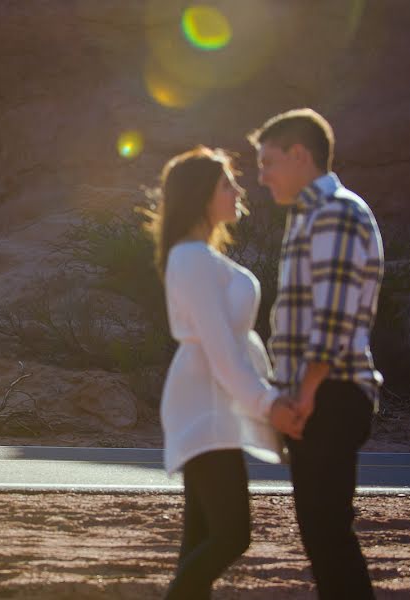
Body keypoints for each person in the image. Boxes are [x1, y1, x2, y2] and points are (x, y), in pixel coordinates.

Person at [145, 146, 301, 599]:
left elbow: (228, 348)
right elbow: (219, 349)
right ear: (200, 195)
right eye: (226, 183)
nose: (238, 190)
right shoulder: (191, 258)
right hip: (204, 409)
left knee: (200, 539)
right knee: (233, 535)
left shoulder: (198, 257)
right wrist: (268, 404)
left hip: (212, 405)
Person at [248, 108, 384, 599]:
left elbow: (332, 316)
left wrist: (304, 394)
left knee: (328, 534)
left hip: (329, 394)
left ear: (300, 155)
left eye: (268, 163)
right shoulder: (313, 216)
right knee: (322, 535)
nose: (261, 176)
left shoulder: (335, 213)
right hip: (319, 394)